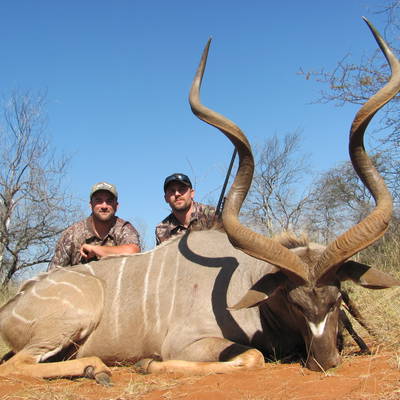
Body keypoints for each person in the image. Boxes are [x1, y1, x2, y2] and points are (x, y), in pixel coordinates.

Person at [48, 182, 141, 269]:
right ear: (90, 205)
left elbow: (133, 251)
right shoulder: (72, 234)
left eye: (109, 201)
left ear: (116, 206)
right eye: (98, 200)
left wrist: (96, 249)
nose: (104, 206)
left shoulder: (124, 228)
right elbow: (53, 272)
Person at [155, 173, 216, 245]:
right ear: (166, 198)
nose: (177, 194)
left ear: (192, 193)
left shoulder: (212, 215)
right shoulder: (161, 230)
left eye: (182, 189)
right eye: (172, 191)